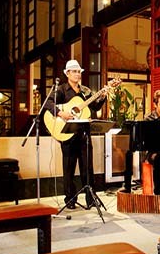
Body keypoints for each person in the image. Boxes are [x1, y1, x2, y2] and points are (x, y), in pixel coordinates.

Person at [45, 59, 118, 208]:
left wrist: (103, 95)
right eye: (74, 71)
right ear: (67, 73)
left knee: (87, 168)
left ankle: (90, 199)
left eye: (79, 72)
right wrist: (61, 113)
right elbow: (48, 103)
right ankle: (70, 199)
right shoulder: (61, 90)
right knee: (69, 168)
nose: (77, 74)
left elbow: (95, 106)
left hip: (84, 135)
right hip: (67, 134)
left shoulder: (85, 91)